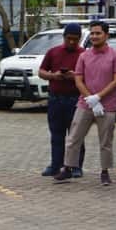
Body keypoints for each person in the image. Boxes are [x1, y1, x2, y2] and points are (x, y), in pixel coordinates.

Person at [55, 20, 116, 186]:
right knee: (73, 138)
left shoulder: (115, 56)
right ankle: (68, 168)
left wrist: (99, 97)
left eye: (98, 33)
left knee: (105, 141)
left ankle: (105, 172)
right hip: (85, 103)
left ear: (106, 35)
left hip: (107, 105)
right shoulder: (84, 56)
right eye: (92, 33)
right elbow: (78, 80)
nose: (94, 36)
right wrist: (91, 100)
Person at [38, 23, 83, 178]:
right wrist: (53, 76)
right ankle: (55, 165)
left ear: (80, 38)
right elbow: (41, 72)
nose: (71, 42)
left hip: (75, 100)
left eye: (75, 39)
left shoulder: (84, 54)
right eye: (69, 39)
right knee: (56, 135)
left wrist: (75, 76)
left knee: (76, 135)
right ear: (63, 37)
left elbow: (88, 75)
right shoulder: (53, 52)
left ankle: (75, 166)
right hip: (55, 99)